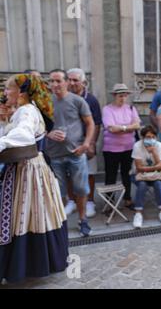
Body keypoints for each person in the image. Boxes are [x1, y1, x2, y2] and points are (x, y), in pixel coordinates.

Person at [0, 74, 68, 283]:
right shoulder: (25, 111)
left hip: (28, 169)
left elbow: (24, 135)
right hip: (31, 168)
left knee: (26, 214)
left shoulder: (26, 111)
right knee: (36, 214)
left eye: (7, 89)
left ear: (21, 92)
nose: (4, 93)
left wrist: (2, 143)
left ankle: (22, 265)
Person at [45, 69, 95, 237]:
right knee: (57, 192)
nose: (54, 84)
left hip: (76, 154)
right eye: (51, 81)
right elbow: (37, 127)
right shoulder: (45, 103)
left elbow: (90, 124)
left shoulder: (77, 101)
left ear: (66, 82)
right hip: (54, 155)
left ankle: (83, 220)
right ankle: (60, 224)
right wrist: (48, 134)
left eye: (58, 81)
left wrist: (86, 144)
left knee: (81, 189)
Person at [66, 68, 102, 218]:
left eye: (76, 80)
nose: (72, 83)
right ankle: (72, 201)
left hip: (87, 141)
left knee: (89, 173)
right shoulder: (63, 98)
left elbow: (97, 123)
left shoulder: (91, 100)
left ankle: (90, 202)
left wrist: (92, 143)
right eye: (70, 80)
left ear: (83, 82)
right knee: (68, 172)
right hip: (68, 143)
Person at [102, 83, 141, 209]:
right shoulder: (107, 109)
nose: (123, 98)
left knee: (127, 174)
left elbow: (137, 125)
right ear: (114, 95)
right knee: (110, 175)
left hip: (128, 147)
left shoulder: (130, 108)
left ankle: (128, 199)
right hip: (111, 149)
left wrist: (121, 128)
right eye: (120, 95)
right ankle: (110, 202)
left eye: (125, 95)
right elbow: (111, 128)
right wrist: (127, 128)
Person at [130, 125, 161, 228]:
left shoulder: (158, 145)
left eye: (153, 137)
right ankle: (138, 213)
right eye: (148, 137)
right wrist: (155, 167)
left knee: (158, 183)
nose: (151, 139)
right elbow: (139, 168)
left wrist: (153, 152)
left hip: (156, 175)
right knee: (142, 184)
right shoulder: (137, 146)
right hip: (138, 174)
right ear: (142, 137)